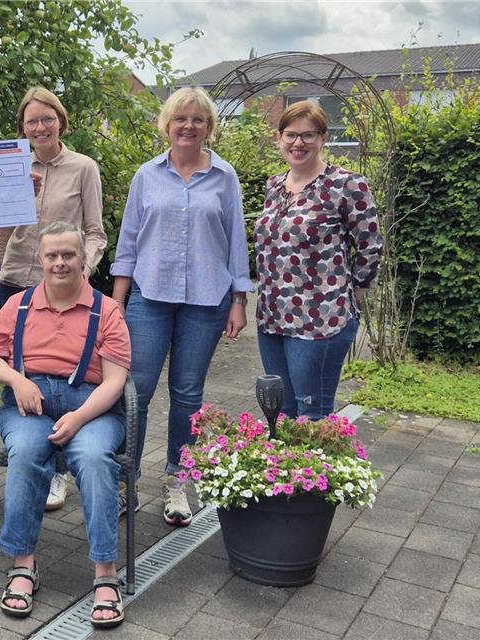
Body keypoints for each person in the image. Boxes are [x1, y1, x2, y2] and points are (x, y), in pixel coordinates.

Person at [0, 221, 130, 629]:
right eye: (52, 256)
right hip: (29, 404)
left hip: (91, 406)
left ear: (84, 259)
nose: (60, 263)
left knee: (95, 458)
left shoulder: (107, 310)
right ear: (41, 260)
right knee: (26, 451)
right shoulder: (19, 305)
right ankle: (23, 566)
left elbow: (115, 380)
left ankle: (105, 575)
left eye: (68, 255)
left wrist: (79, 417)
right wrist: (17, 379)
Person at [111, 87, 252, 527]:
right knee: (136, 393)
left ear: (209, 127)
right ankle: (125, 478)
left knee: (188, 397)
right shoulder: (145, 176)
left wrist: (238, 299)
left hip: (206, 302)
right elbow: (128, 241)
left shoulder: (224, 177)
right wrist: (116, 303)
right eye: (180, 119)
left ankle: (176, 482)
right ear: (166, 125)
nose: (188, 126)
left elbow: (236, 242)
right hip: (149, 299)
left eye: (198, 119)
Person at [0, 86, 107, 513]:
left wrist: (82, 269)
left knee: (65, 375)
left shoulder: (83, 168)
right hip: (16, 284)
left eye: (47, 119)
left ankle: (60, 469)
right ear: (22, 128)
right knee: (24, 377)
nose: (40, 127)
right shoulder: (11, 166)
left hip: (65, 287)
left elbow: (95, 231)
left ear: (61, 121)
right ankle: (33, 463)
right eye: (31, 121)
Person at [255, 100, 382, 418]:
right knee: (280, 411)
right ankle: (285, 469)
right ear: (279, 138)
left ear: (323, 138)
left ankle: (313, 469)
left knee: (311, 412)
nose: (298, 143)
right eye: (290, 135)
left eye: (308, 135)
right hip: (272, 316)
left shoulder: (346, 185)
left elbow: (370, 246)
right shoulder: (273, 186)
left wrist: (354, 294)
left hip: (320, 320)